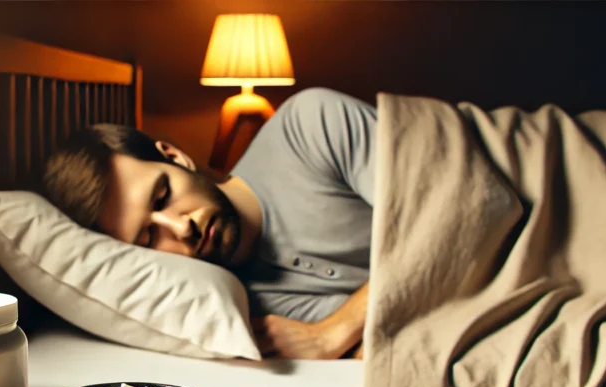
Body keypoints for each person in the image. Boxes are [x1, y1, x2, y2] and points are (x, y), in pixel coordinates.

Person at [41, 87, 377, 360]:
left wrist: (332, 332)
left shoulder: (308, 127)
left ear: (175, 157)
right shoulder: (245, 310)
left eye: (162, 197)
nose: (181, 228)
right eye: (148, 237)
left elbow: (430, 218)